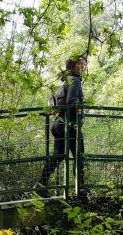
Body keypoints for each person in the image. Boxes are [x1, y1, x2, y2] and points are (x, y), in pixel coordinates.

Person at [36, 55, 87, 197]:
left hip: (58, 125)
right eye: (79, 64)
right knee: (79, 156)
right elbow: (71, 100)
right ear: (72, 66)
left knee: (58, 156)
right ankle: (81, 190)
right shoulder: (75, 80)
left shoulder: (63, 83)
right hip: (70, 126)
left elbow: (56, 103)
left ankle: (41, 184)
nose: (83, 66)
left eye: (84, 64)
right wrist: (80, 113)